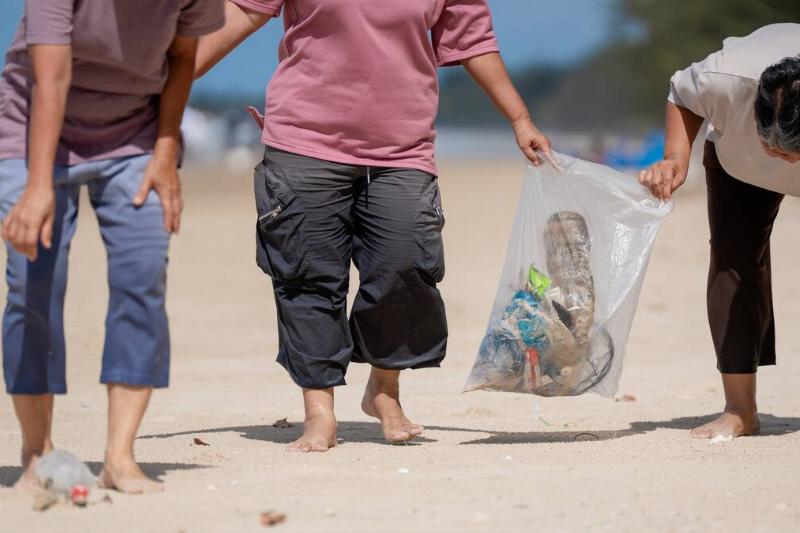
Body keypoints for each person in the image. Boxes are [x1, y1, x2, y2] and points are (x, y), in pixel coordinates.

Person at [195, 0, 556, 452]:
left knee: (406, 268)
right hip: (303, 142)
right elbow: (241, 15)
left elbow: (473, 41)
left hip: (403, 150)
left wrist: (519, 118)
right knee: (308, 278)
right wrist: (159, 90)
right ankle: (319, 412)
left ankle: (383, 389)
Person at [0, 0, 224, 492]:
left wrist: (166, 151)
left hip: (132, 133)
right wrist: (39, 187)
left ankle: (120, 458)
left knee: (142, 276)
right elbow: (51, 80)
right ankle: (37, 453)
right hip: (34, 127)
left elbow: (183, 57)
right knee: (32, 284)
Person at [639, 23, 800, 438]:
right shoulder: (725, 80)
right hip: (737, 164)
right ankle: (741, 410)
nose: (783, 159)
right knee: (734, 261)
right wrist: (676, 158)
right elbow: (681, 94)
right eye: (774, 145)